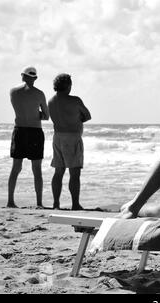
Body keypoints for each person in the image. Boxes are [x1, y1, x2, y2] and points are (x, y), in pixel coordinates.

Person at [7, 67, 49, 208]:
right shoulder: (39, 94)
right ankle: (39, 203)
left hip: (19, 130)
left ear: (22, 76)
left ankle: (10, 201)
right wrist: (36, 113)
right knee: (36, 169)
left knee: (16, 168)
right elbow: (46, 116)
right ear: (35, 78)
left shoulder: (13, 92)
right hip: (35, 131)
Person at [48, 74, 92, 210]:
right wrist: (77, 119)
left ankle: (56, 203)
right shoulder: (75, 100)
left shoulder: (51, 101)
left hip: (57, 137)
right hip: (72, 137)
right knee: (75, 173)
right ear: (67, 85)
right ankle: (75, 204)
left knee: (58, 171)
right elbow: (88, 116)